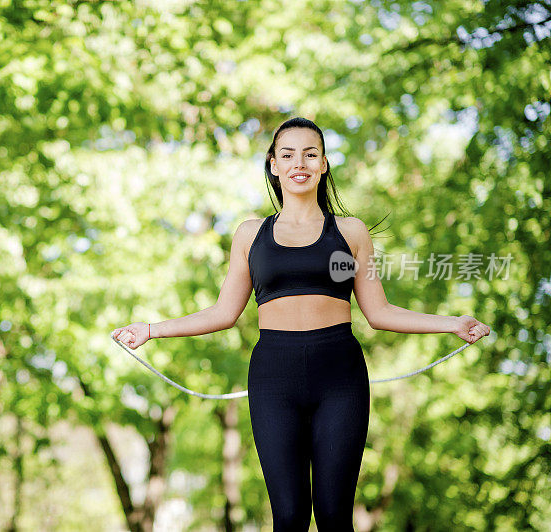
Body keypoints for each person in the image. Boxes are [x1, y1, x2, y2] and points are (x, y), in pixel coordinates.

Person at [111, 116, 491, 531]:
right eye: (288, 154)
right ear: (273, 164)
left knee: (332, 516)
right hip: (274, 375)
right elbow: (223, 313)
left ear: (324, 164)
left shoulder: (350, 234)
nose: (300, 163)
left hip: (340, 375)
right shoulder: (250, 235)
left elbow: (379, 312)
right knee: (289, 517)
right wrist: (151, 329)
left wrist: (452, 323)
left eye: (311, 154)